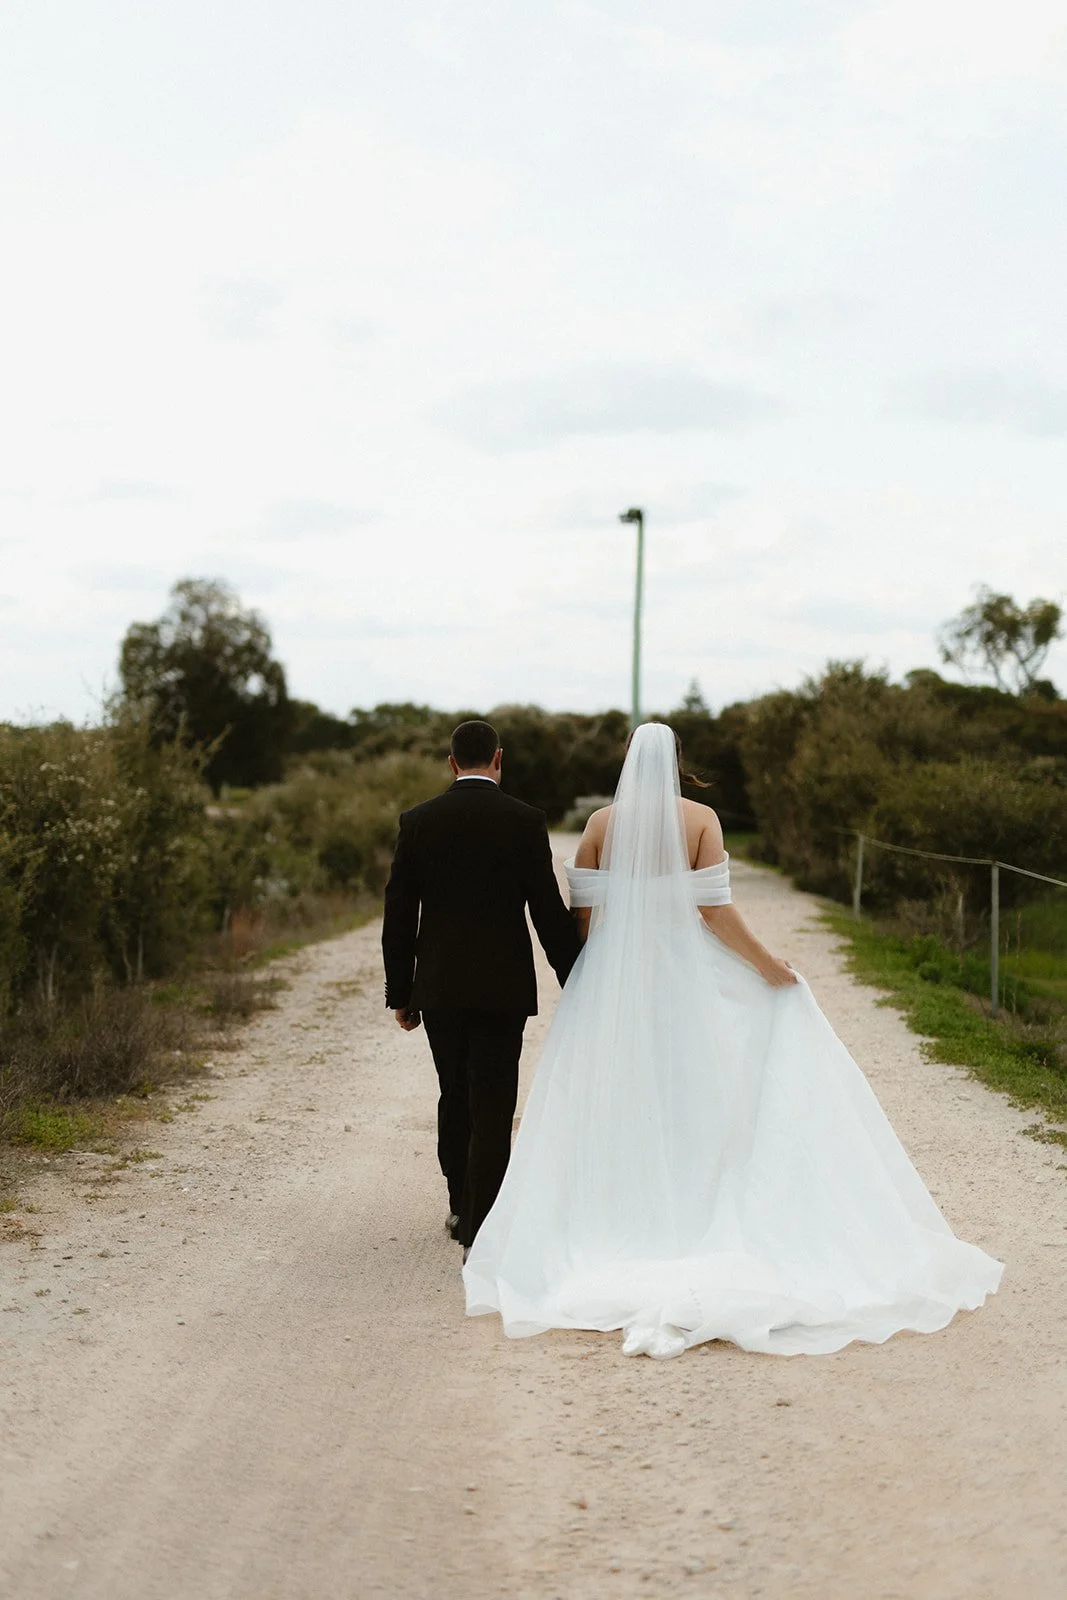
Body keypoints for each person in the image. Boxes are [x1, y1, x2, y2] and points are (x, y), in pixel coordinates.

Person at [463, 722, 1003, 1359]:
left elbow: (582, 916)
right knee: (695, 1087)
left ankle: (619, 1214)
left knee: (617, 1093)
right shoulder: (701, 820)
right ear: (677, 762)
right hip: (682, 971)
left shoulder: (602, 824)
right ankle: (695, 1204)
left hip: (613, 975)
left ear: (628, 763)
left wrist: (590, 982)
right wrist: (769, 967)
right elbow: (714, 912)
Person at [382, 719, 581, 1251]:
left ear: (451, 763)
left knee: (454, 1092)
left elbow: (399, 912)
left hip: (440, 988)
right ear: (498, 759)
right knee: (493, 1101)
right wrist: (576, 977)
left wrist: (401, 991)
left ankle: (458, 1205)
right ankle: (483, 1222)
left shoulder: (419, 820)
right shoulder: (525, 821)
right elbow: (546, 911)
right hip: (502, 989)